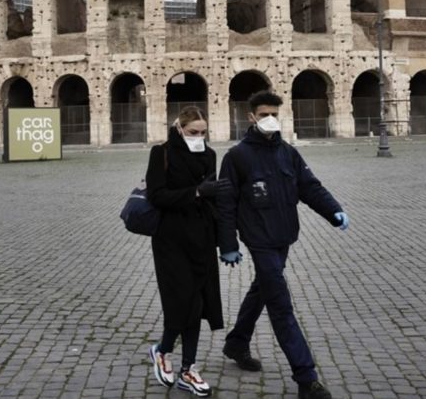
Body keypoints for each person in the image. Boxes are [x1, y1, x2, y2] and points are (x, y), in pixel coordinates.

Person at [217, 91, 349, 399]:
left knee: (262, 288)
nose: (269, 118)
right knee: (280, 304)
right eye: (263, 114)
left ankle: (237, 342)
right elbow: (225, 204)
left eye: (274, 113)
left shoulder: (288, 152)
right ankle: (306, 378)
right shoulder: (237, 157)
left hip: (284, 236)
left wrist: (333, 210)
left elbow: (309, 187)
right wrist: (227, 244)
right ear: (251, 117)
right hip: (259, 239)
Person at [145, 106, 232, 397]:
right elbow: (156, 196)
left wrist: (226, 242)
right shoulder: (162, 153)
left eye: (203, 132)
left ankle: (188, 369)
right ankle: (163, 350)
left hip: (202, 238)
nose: (199, 137)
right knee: (181, 302)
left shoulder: (209, 155)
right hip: (171, 240)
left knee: (198, 304)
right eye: (193, 132)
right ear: (180, 128)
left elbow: (214, 202)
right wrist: (196, 192)